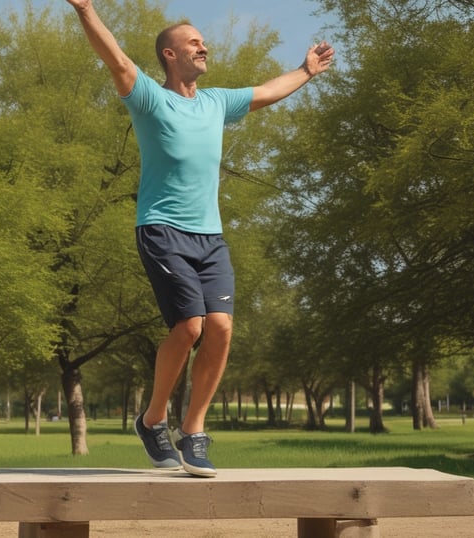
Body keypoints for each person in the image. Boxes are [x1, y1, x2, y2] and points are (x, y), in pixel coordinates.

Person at [66, 0, 334, 477]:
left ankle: (193, 431)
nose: (203, 46)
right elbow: (117, 60)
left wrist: (306, 71)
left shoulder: (215, 103)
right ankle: (152, 421)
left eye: (202, 42)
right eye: (194, 42)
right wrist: (86, 9)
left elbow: (267, 91)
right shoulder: (150, 98)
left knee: (222, 327)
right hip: (162, 229)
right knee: (189, 326)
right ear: (170, 55)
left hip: (210, 237)